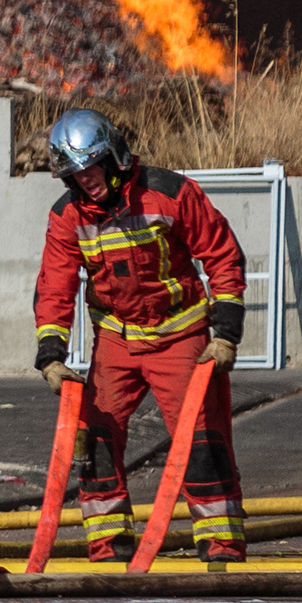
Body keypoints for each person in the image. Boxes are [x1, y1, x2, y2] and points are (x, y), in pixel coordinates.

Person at [34, 104, 249, 564]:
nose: (87, 180)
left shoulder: (169, 192)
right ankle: (108, 544)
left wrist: (226, 333)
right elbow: (56, 283)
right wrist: (50, 353)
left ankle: (221, 545)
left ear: (114, 156)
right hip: (116, 337)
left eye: (93, 167)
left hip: (180, 331)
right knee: (94, 435)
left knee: (201, 438)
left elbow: (223, 256)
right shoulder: (68, 214)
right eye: (76, 174)